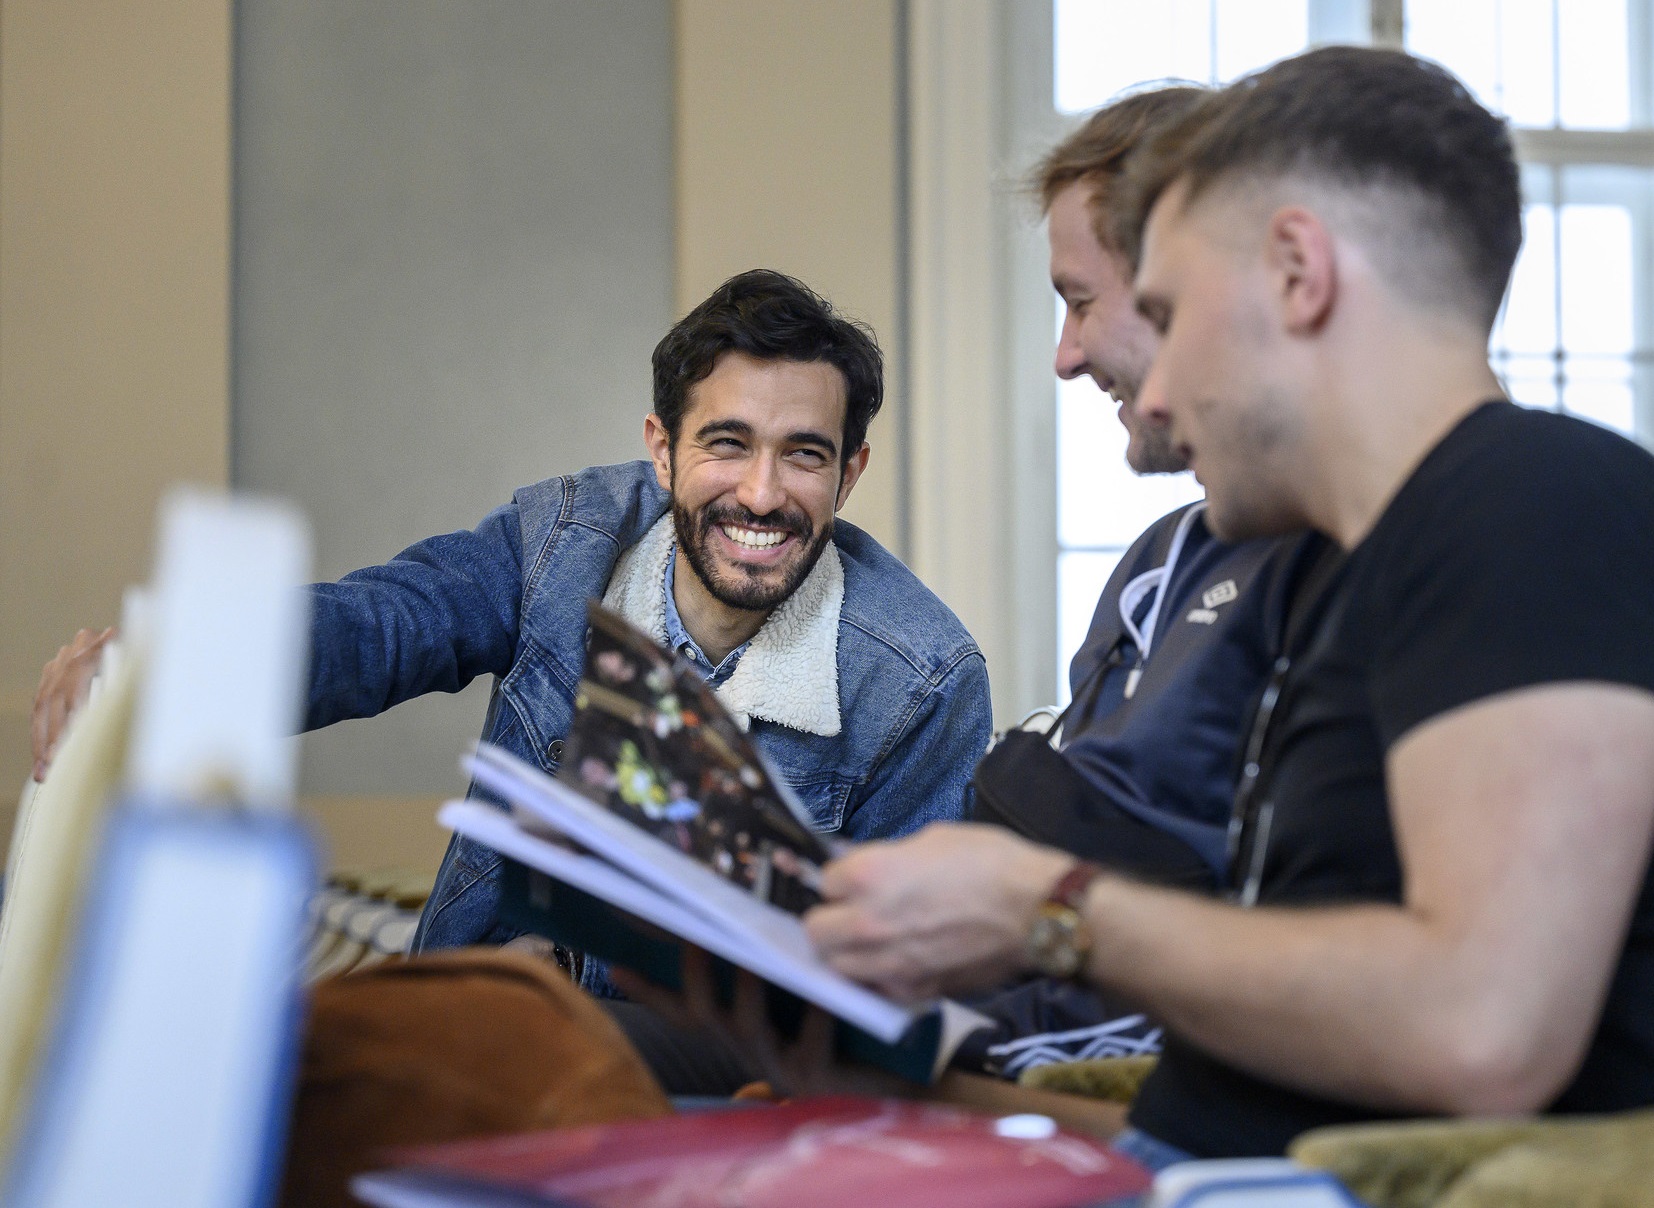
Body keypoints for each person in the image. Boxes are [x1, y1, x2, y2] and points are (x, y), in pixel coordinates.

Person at [803, 46, 1654, 1166]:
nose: (1151, 390)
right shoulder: (1348, 575)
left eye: (1167, 309)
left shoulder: (1536, 497)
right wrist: (879, 1078)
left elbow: (1481, 1028)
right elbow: (1240, 1112)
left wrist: (1046, 909)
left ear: (1298, 273)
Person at [31, 269, 993, 985]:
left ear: (849, 474)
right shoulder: (564, 540)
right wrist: (173, 665)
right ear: (662, 451)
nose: (761, 493)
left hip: (724, 1112)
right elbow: (382, 626)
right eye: (727, 444)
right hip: (488, 1044)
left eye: (804, 456)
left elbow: (901, 985)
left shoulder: (925, 681)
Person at [961, 85, 1326, 1077]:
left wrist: (935, 1052)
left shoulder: (1368, 553)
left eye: (1082, 300)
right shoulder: (1155, 563)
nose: (1065, 356)